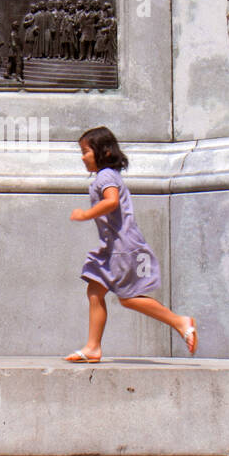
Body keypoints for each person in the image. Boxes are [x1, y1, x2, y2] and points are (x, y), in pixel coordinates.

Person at [66, 126, 197, 362]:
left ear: (104, 152)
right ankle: (93, 347)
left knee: (128, 298)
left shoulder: (106, 176)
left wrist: (86, 214)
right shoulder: (106, 176)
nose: (82, 157)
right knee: (95, 289)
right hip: (111, 247)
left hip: (122, 246)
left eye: (86, 151)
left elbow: (111, 201)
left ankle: (180, 321)